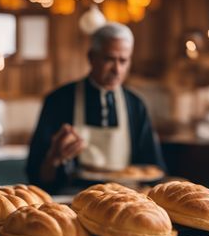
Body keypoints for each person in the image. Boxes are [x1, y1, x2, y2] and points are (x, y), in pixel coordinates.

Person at [26, 22, 167, 193]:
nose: (117, 69)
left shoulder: (136, 105)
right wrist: (54, 158)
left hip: (126, 200)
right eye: (109, 59)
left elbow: (154, 169)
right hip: (75, 198)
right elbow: (36, 176)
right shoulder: (58, 101)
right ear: (91, 57)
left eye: (123, 61)